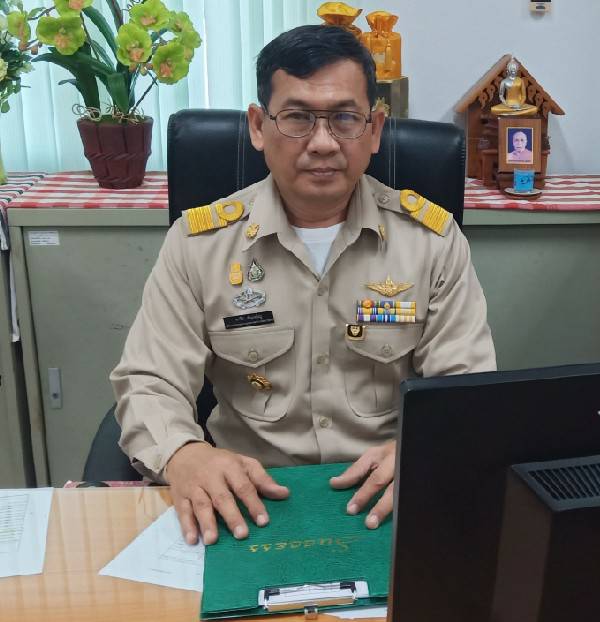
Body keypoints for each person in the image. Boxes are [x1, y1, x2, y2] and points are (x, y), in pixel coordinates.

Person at [110, 24, 496, 547]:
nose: (322, 143)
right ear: (258, 126)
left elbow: (465, 390)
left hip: (390, 497)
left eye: (345, 118)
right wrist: (184, 454)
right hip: (245, 503)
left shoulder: (431, 242)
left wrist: (427, 453)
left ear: (375, 129)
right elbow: (149, 380)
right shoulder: (199, 244)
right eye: (297, 118)